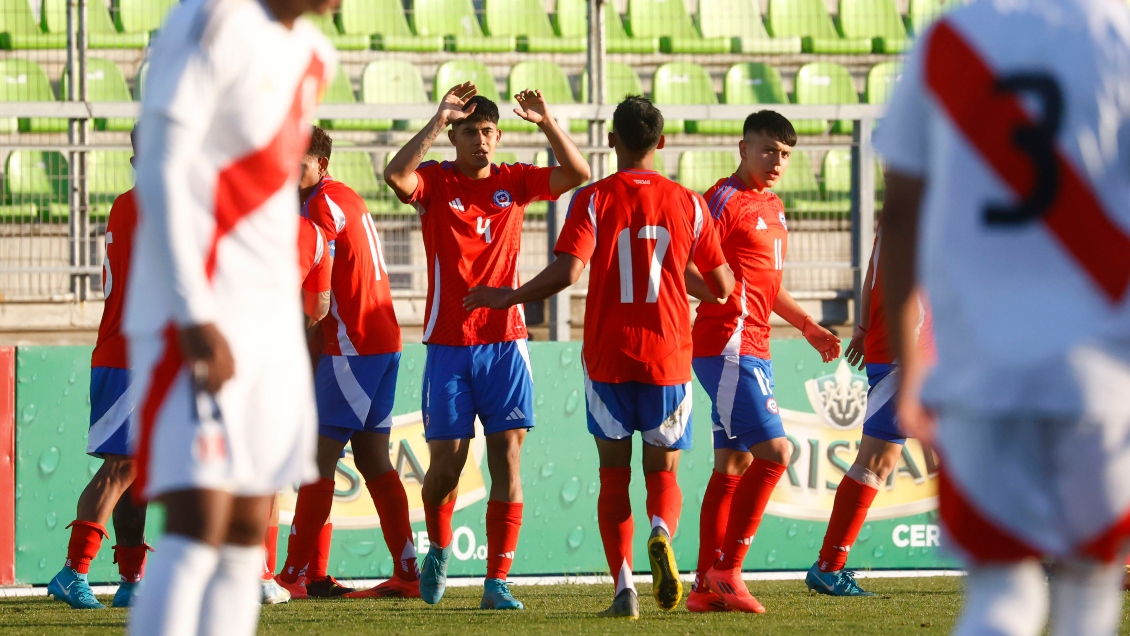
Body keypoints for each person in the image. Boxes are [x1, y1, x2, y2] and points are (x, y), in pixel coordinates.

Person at [877, 0, 1130, 633]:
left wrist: (911, 367)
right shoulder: (1121, 35)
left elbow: (900, 213)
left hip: (983, 369)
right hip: (1101, 370)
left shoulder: (947, 39)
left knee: (999, 592)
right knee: (1089, 587)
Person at [465, 95, 734, 618]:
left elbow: (569, 272)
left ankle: (624, 589)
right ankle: (661, 531)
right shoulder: (689, 202)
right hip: (668, 356)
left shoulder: (592, 199)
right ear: (661, 142)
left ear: (612, 141)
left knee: (613, 475)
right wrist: (674, 269)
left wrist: (509, 296)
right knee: (663, 474)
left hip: (609, 356)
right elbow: (721, 287)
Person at [124, 0, 336, 632]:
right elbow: (161, 164)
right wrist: (193, 313)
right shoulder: (212, 18)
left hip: (269, 324)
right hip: (197, 316)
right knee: (197, 523)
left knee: (246, 532)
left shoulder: (314, 54)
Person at [384, 84, 589, 610]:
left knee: (508, 460)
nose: (481, 140)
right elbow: (395, 176)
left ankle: (497, 581)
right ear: (454, 136)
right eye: (471, 131)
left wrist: (547, 122)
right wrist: (437, 119)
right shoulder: (435, 181)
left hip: (506, 344)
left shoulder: (513, 181)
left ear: (498, 137)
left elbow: (577, 173)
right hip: (449, 345)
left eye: (489, 132)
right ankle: (439, 549)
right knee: (445, 471)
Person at [684, 111, 841, 613]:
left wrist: (808, 325)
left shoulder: (773, 206)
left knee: (733, 464)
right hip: (727, 344)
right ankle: (728, 571)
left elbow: (767, 284)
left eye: (786, 154)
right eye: (768, 149)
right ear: (743, 148)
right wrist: (719, 295)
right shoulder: (722, 200)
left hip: (756, 345)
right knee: (776, 453)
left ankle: (704, 586)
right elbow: (681, 264)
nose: (777, 161)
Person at [276, 126, 419, 600]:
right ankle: (405, 572)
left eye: (299, 163)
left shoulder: (318, 207)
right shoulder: (343, 196)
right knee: (374, 459)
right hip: (381, 341)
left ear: (321, 165)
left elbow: (316, 297)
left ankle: (294, 574)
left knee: (317, 461)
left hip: (351, 345)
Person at [47, 129, 150, 611]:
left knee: (135, 470)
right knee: (121, 467)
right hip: (131, 354)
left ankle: (131, 580)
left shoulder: (129, 203)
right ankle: (74, 571)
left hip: (134, 352)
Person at [804, 220, 931, 597]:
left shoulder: (905, 210)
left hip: (906, 350)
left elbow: (872, 274)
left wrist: (862, 327)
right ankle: (828, 566)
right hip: (910, 353)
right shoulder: (934, 207)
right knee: (875, 462)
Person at [259, 209, 336, 606]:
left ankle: (270, 572)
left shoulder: (223, 217)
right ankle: (265, 573)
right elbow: (319, 307)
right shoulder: (313, 233)